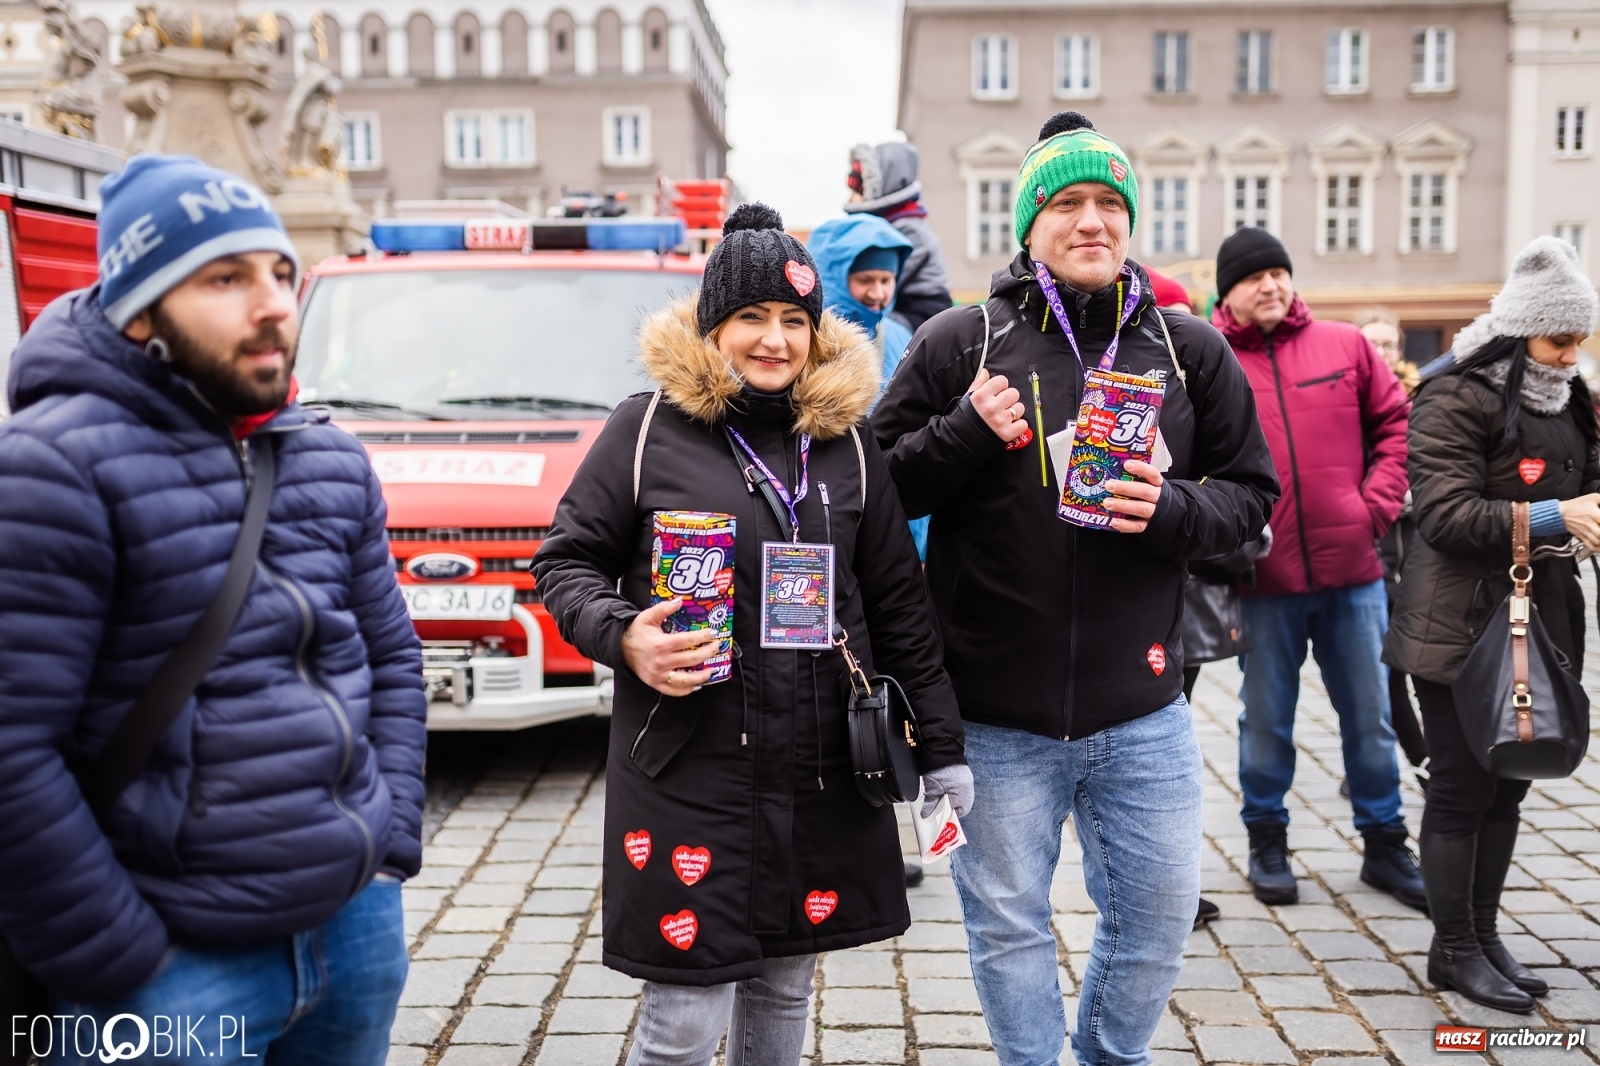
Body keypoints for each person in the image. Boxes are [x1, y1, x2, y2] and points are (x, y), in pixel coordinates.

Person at [874, 111, 1279, 1066]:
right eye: (1067, 203)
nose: (1091, 220)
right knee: (1008, 929)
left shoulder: (1187, 350)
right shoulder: (957, 342)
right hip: (992, 720)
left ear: (1131, 219)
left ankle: (1110, 1055)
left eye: (1109, 202)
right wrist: (963, 436)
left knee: (1158, 919)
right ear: (1030, 224)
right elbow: (873, 493)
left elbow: (1254, 498)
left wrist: (1170, 507)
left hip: (1144, 710)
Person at [0, 156, 424, 1063]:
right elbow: (11, 746)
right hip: (172, 966)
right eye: (225, 278)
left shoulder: (329, 460)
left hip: (351, 934)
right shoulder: (50, 467)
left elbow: (390, 659)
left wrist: (388, 852)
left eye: (279, 272)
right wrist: (119, 956)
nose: (272, 303)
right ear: (140, 309)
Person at [532, 203, 970, 1066]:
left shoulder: (846, 445)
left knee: (782, 992)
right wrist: (625, 637)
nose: (774, 341)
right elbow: (564, 564)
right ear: (713, 325)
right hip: (688, 764)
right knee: (686, 1022)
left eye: (793, 321)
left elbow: (897, 605)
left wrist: (944, 749)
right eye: (752, 319)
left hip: (820, 768)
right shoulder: (646, 428)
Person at [1384, 236, 1600, 1013]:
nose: (1573, 356)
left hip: (1537, 623)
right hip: (1459, 626)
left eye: (1581, 339)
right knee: (1462, 789)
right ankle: (1453, 951)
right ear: (1519, 336)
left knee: (1511, 785)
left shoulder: (1570, 395)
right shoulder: (1453, 393)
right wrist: (1554, 516)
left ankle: (1481, 931)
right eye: (1559, 340)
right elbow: (1442, 515)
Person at [1211, 227, 1424, 911]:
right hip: (1264, 579)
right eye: (1254, 277)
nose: (1271, 284)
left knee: (1371, 716)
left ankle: (1384, 840)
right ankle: (1266, 839)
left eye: (1279, 271)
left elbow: (1397, 426)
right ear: (1229, 293)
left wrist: (1375, 508)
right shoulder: (1212, 361)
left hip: (1354, 570)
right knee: (1267, 718)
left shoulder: (1347, 345)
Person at [1352, 307, 1430, 787]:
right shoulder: (1348, 401)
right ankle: (1418, 760)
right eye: (1373, 344)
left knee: (1421, 665)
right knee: (1381, 673)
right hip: (1369, 555)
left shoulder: (1422, 402)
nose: (1382, 352)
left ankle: (1427, 756)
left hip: (1419, 557)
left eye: (1390, 344)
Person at [844, 141, 952, 331]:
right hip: (902, 305)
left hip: (923, 311)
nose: (852, 198)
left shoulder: (908, 229)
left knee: (867, 329)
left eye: (859, 191)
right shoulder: (890, 224)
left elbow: (888, 277)